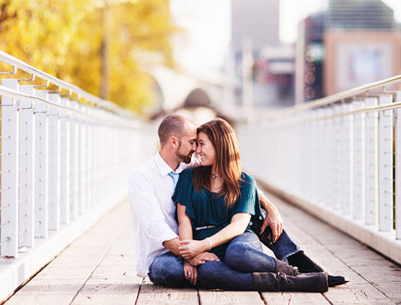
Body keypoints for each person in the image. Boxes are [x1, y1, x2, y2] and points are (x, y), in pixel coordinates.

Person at [128, 114, 347, 291]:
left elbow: (236, 180)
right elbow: (156, 228)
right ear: (173, 142)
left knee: (240, 247)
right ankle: (278, 277)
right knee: (166, 269)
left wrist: (270, 206)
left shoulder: (191, 165)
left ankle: (298, 264)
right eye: (193, 143)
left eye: (200, 143)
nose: (196, 149)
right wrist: (189, 254)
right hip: (172, 251)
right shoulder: (147, 176)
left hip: (211, 243)